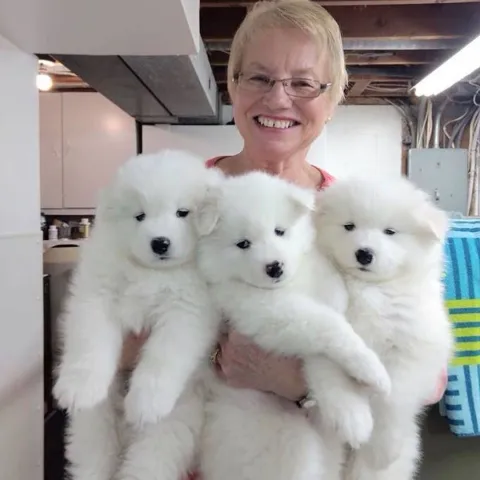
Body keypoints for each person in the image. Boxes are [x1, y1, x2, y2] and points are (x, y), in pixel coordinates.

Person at [120, 0, 447, 478]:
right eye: (259, 77)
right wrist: (211, 350)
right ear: (233, 84)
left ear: (333, 100)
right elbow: (108, 327)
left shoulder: (349, 217)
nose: (278, 99)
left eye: (304, 83)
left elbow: (427, 375)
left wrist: (299, 384)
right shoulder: (176, 200)